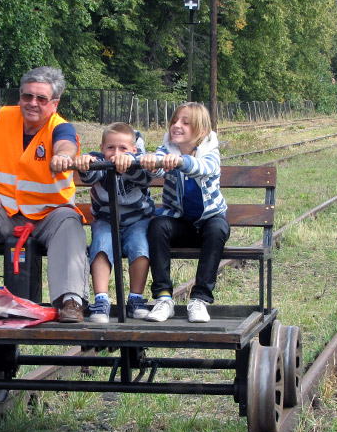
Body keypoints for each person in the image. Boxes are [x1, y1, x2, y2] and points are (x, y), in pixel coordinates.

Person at [0, 66, 89, 323]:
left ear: (54, 104)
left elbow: (66, 145)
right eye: (27, 96)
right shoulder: (2, 119)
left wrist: (63, 157)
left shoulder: (61, 128)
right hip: (6, 212)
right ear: (19, 97)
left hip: (50, 216)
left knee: (70, 222)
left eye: (41, 99)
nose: (33, 103)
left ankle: (71, 301)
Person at [139, 102, 230, 323]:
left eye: (185, 123)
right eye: (175, 121)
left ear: (201, 131)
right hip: (180, 223)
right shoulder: (167, 148)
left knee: (218, 228)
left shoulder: (210, 149)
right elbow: (158, 167)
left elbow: (205, 168)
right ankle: (163, 298)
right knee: (158, 225)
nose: (177, 126)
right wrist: (152, 163)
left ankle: (199, 299)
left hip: (209, 222)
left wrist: (182, 161)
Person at [75, 122, 154, 323]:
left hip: (137, 220)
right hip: (106, 220)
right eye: (110, 148)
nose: (115, 153)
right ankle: (101, 299)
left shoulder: (138, 163)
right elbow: (91, 174)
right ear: (102, 148)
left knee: (141, 246)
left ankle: (135, 297)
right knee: (100, 244)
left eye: (123, 148)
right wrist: (86, 163)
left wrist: (129, 162)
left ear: (133, 150)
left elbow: (145, 178)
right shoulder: (101, 162)